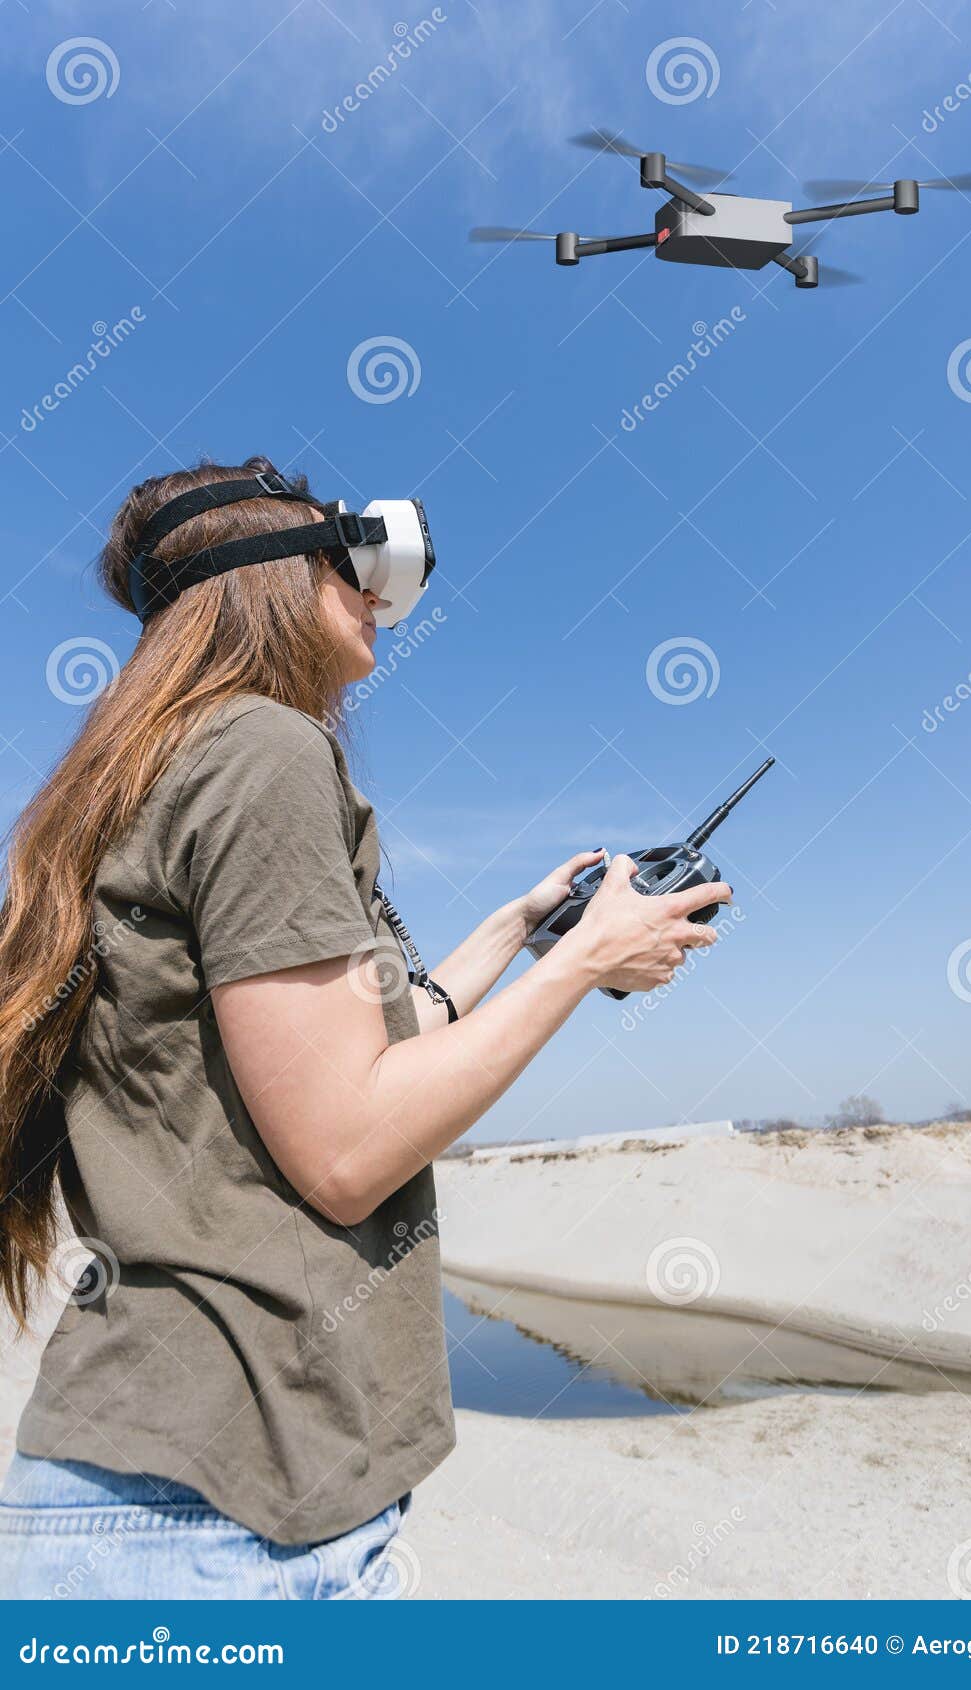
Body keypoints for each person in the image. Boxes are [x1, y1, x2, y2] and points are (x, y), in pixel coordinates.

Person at [0, 456, 728, 1599]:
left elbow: (358, 1054)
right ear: (274, 579)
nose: (377, 602)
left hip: (161, 1489)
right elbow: (345, 1150)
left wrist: (523, 928)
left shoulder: (161, 763)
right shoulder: (265, 752)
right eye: (354, 570)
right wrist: (590, 961)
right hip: (227, 1511)